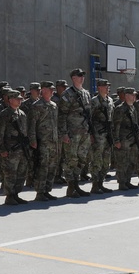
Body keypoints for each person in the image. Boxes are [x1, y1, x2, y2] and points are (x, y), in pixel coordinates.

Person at [0, 88, 31, 205]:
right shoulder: (4, 114)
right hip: (10, 149)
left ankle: (16, 194)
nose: (20, 101)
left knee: (21, 173)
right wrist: (2, 149)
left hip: (21, 149)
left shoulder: (22, 113)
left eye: (20, 99)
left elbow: (25, 132)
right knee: (10, 173)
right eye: (17, 99)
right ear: (10, 100)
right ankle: (9, 195)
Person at [58, 68, 93, 197]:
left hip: (84, 132)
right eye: (79, 76)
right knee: (70, 160)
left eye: (83, 75)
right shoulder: (67, 94)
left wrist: (90, 130)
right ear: (73, 78)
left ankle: (76, 185)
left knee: (81, 159)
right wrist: (64, 133)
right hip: (72, 133)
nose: (82, 77)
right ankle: (71, 186)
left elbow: (89, 113)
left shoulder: (86, 93)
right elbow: (62, 115)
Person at [28, 81, 59, 201]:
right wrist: (33, 140)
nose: (52, 91)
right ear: (43, 91)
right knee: (43, 167)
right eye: (50, 89)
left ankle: (47, 190)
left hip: (53, 140)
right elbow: (32, 124)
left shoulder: (53, 105)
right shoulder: (37, 105)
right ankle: (40, 192)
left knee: (52, 166)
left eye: (52, 89)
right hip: (42, 141)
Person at [89, 79, 116, 193]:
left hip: (108, 134)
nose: (107, 88)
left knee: (106, 160)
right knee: (97, 160)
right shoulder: (94, 101)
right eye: (105, 86)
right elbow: (89, 118)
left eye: (108, 86)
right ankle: (95, 184)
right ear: (99, 88)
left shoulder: (110, 100)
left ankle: (101, 182)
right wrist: (91, 134)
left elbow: (112, 117)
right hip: (98, 134)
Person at [112, 87, 139, 189]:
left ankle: (127, 180)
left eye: (135, 95)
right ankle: (122, 182)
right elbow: (116, 126)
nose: (134, 97)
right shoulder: (120, 109)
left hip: (133, 139)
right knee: (122, 162)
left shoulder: (133, 108)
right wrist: (116, 140)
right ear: (127, 96)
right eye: (132, 95)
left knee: (132, 161)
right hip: (123, 139)